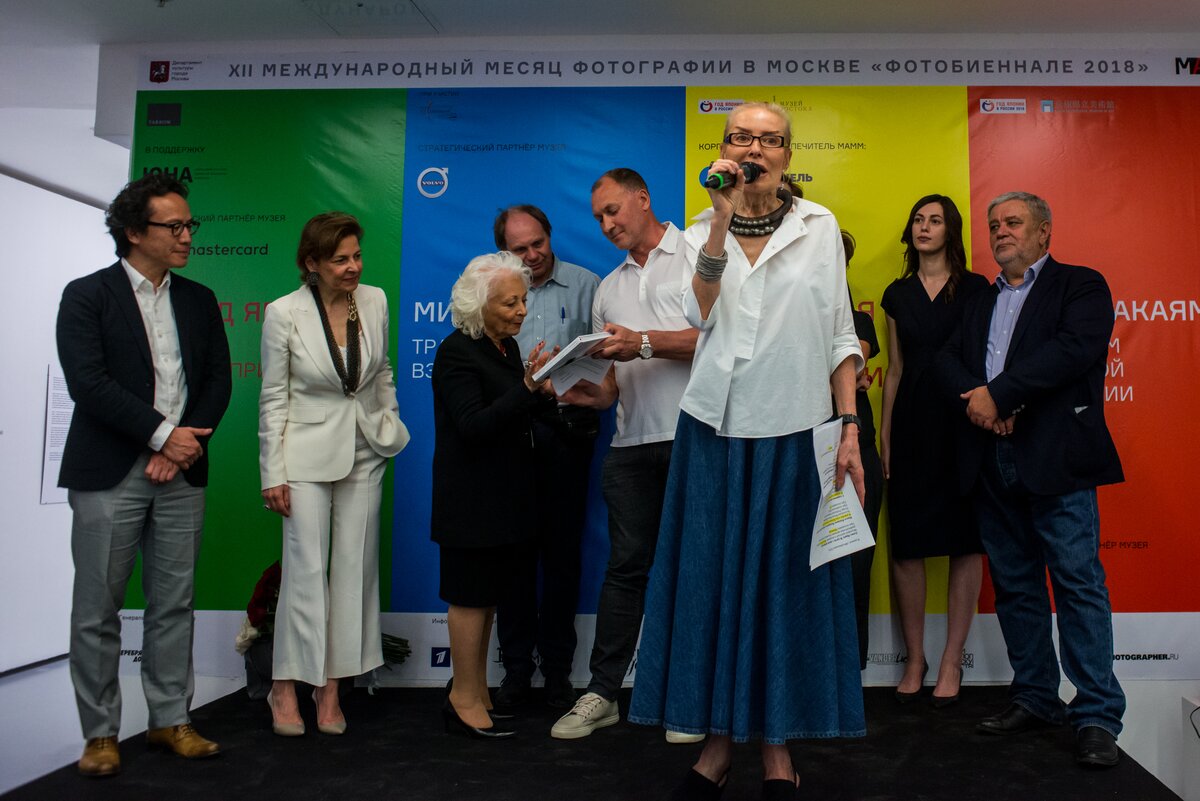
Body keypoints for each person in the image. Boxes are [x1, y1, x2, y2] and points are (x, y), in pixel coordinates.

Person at [627, 102, 866, 799]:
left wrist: (849, 427)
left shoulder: (819, 227)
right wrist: (721, 218)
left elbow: (840, 333)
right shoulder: (699, 228)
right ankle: (717, 744)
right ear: (725, 150)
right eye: (742, 137)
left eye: (769, 139)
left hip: (795, 427)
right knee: (714, 589)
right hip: (717, 430)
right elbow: (697, 313)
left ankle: (778, 749)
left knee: (783, 593)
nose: (755, 148)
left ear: (788, 154)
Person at [939, 191, 1125, 768]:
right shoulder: (979, 298)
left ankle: (1096, 715)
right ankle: (1036, 697)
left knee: (1077, 585)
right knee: (1017, 587)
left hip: (1056, 457)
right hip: (990, 459)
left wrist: (1001, 394)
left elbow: (1074, 351)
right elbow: (947, 358)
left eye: (1013, 222)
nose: (1001, 231)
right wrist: (980, 401)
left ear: (1044, 231)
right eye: (994, 224)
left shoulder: (1080, 285)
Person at [56, 173, 231, 776]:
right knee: (97, 607)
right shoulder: (87, 295)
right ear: (134, 231)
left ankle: (170, 719)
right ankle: (100, 733)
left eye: (189, 225)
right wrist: (161, 435)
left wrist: (181, 447)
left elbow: (217, 381)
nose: (187, 236)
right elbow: (89, 384)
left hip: (182, 469)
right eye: (173, 226)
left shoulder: (199, 299)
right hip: (109, 471)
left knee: (174, 603)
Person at [546, 169, 700, 742]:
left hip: (697, 438)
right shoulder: (608, 287)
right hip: (630, 446)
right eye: (598, 218)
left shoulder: (699, 255)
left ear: (643, 198)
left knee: (694, 570)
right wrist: (587, 393)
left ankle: (687, 697)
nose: (607, 224)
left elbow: (726, 340)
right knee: (625, 571)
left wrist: (645, 342)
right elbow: (613, 383)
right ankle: (603, 693)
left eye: (613, 210)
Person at [259, 212, 411, 737]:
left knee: (355, 572)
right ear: (312, 263)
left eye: (357, 256)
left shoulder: (375, 300)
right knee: (304, 571)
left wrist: (387, 416)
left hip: (365, 448)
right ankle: (285, 685)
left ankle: (330, 688)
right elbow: (273, 397)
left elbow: (382, 369)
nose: (353, 267)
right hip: (302, 455)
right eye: (340, 259)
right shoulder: (283, 313)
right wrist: (272, 471)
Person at [431, 252, 557, 738]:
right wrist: (526, 388)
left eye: (523, 300)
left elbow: (512, 412)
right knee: (469, 598)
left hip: (503, 500)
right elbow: (474, 425)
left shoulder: (504, 348)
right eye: (510, 303)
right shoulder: (457, 352)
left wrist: (540, 391)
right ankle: (462, 697)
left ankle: (475, 690)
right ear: (478, 305)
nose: (522, 310)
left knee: (486, 600)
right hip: (470, 501)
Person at [879, 195, 990, 705]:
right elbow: (896, 368)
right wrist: (885, 433)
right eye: (918, 219)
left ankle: (951, 659)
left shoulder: (976, 289)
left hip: (964, 421)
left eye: (935, 220)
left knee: (966, 540)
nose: (924, 227)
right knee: (908, 542)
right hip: (911, 424)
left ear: (951, 230)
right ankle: (915, 659)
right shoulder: (896, 294)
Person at [491, 205, 600, 710]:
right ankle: (515, 669)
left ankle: (558, 671)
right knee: (512, 555)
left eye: (539, 243)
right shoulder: (493, 292)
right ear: (503, 252)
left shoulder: (587, 285)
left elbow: (604, 362)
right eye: (520, 249)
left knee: (562, 557)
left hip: (567, 432)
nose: (533, 255)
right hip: (510, 434)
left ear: (550, 236)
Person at [841, 230, 885, 672]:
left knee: (856, 562)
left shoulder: (859, 321)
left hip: (858, 447)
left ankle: (850, 671)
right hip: (802, 445)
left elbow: (851, 362)